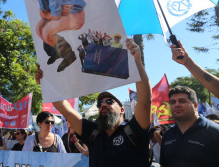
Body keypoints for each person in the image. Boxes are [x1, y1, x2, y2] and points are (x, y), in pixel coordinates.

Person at [36, 38, 152, 166]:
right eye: (100, 104)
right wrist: (46, 83)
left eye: (109, 101)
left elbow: (145, 102)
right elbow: (65, 109)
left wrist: (137, 63)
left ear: (122, 109)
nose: (103, 105)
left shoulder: (134, 130)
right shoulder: (93, 132)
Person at [24, 0, 86, 72]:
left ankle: (69, 55)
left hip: (75, 13)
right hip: (63, 12)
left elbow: (54, 15)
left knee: (47, 31)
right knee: (39, 28)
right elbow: (44, 12)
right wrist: (49, 13)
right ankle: (57, 51)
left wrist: (49, 13)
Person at [160, 86, 219, 167]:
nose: (177, 105)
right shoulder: (167, 135)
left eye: (182, 101)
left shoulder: (214, 131)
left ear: (195, 106)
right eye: (173, 102)